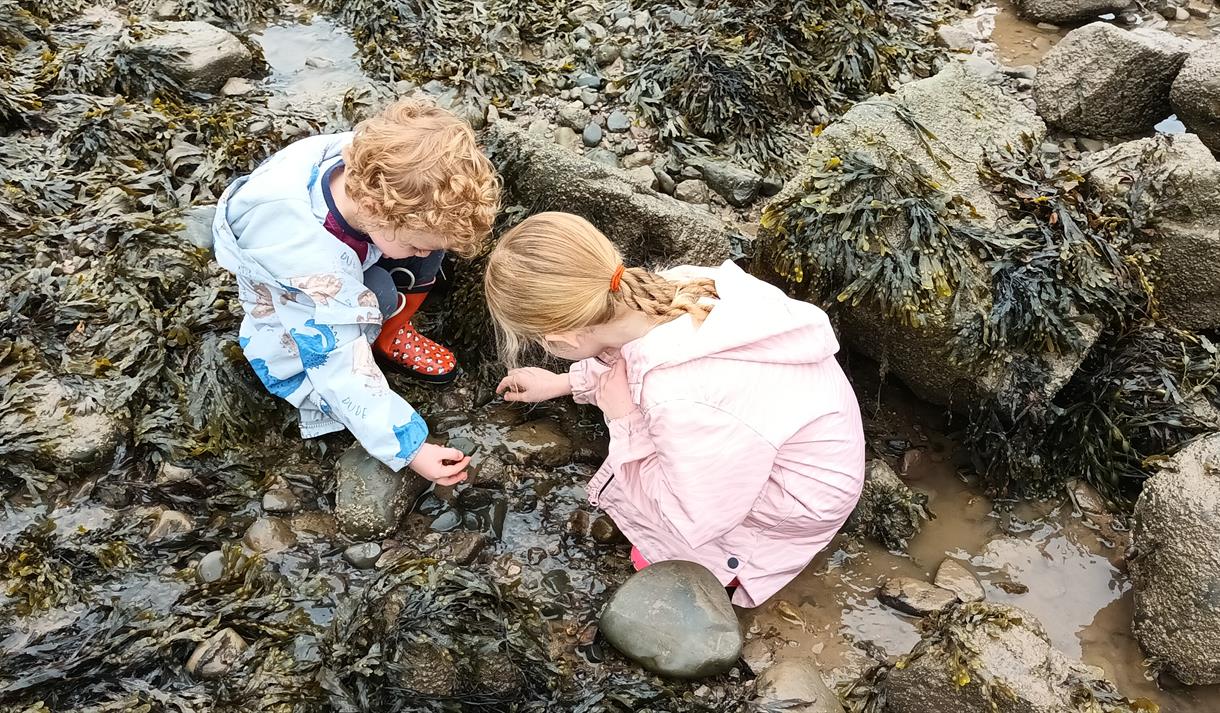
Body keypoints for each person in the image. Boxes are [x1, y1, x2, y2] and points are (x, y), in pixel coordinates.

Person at [484, 212, 866, 607]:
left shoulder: (679, 396)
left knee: (658, 554)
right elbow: (620, 355)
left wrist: (624, 422)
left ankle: (734, 572)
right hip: (818, 446)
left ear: (562, 336)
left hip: (794, 507)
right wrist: (565, 382)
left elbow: (696, 516)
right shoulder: (670, 285)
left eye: (541, 341)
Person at [212, 98, 500, 485]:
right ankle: (375, 333)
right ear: (373, 209)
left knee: (426, 254)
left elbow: (428, 185)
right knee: (377, 296)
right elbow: (339, 368)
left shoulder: (379, 165)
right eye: (416, 244)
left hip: (352, 248)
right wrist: (410, 448)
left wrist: (421, 246)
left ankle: (392, 334)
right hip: (292, 313)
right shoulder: (312, 268)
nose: (423, 252)